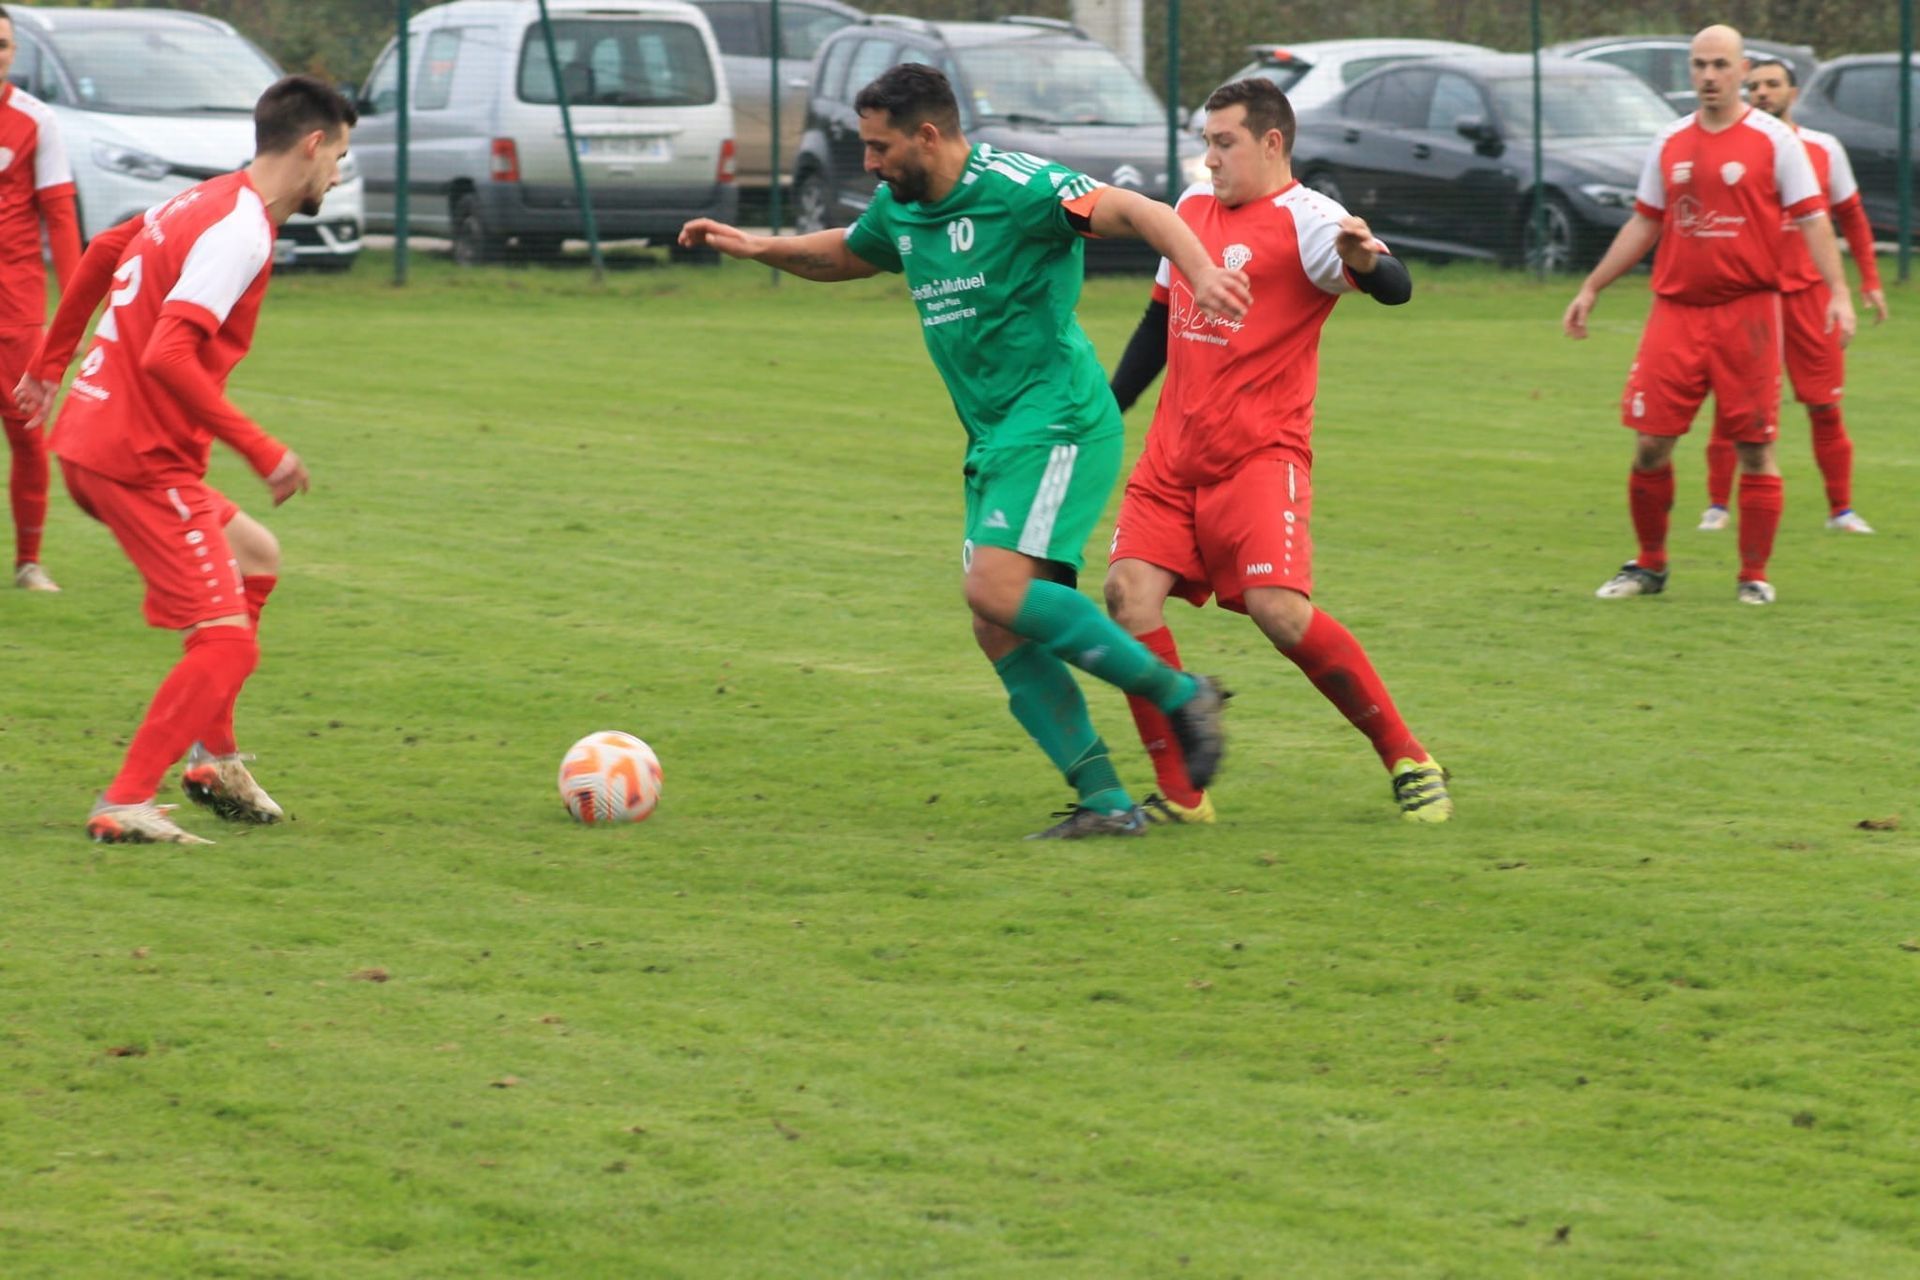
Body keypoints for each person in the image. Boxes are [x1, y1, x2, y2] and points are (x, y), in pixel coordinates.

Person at [679, 63, 1247, 839]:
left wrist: (1201, 270)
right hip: (995, 437)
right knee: (997, 622)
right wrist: (756, 246)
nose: (869, 164)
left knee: (994, 589)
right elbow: (845, 253)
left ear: (927, 135)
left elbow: (1139, 210)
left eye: (880, 148)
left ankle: (1184, 696)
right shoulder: (902, 208)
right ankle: (1108, 804)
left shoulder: (1021, 188)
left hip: (1058, 420)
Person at [13, 76, 353, 844]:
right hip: (136, 458)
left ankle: (214, 760)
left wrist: (50, 363)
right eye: (338, 156)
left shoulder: (205, 199)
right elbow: (169, 354)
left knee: (256, 556)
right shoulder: (240, 230)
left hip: (96, 438)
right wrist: (263, 449)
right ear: (311, 145)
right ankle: (125, 800)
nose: (337, 175)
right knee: (226, 641)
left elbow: (104, 249)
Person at [1103, 78, 1450, 826]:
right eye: (1206, 142)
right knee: (1128, 598)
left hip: (1260, 458)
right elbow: (1159, 321)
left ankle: (1407, 756)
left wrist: (1365, 261)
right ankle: (1184, 796)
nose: (1210, 158)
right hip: (1172, 457)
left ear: (1271, 143)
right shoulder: (1190, 207)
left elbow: (1396, 287)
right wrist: (1109, 407)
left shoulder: (1312, 220)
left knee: (1280, 613)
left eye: (1224, 143)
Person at [1565, 25, 1856, 607]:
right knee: (1651, 444)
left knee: (1754, 448)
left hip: (1749, 313)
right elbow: (1645, 220)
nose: (1708, 76)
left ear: (1742, 71)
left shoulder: (1775, 141)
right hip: (1676, 313)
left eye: (1720, 65)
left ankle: (1754, 574)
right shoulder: (1670, 140)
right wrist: (1593, 286)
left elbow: (1813, 219)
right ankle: (1650, 564)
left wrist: (1839, 292)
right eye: (1699, 65)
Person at [1697, 57, 1888, 536]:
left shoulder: (1823, 148)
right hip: (1749, 298)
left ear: (1793, 93)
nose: (1763, 92)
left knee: (1824, 405)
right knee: (1734, 406)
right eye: (1755, 85)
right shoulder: (1731, 147)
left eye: (1773, 84)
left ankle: (1841, 511)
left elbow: (1852, 216)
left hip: (1808, 298)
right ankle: (1717, 506)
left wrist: (1868, 281)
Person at [0, 5, 82, 591]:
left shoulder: (36, 120)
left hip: (16, 309)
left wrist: (72, 313)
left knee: (29, 434)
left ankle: (29, 562)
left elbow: (60, 217)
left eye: (2, 45)